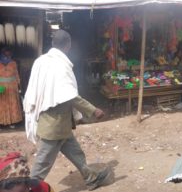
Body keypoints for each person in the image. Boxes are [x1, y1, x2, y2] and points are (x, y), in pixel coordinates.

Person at [23, 30, 110, 191]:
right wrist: (93, 110)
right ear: (68, 44)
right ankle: (28, 189)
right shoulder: (60, 65)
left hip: (59, 123)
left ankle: (91, 179)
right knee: (42, 165)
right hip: (53, 126)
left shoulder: (42, 61)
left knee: (76, 153)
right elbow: (70, 96)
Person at [0, 47, 22, 128]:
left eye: (9, 53)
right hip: (1, 87)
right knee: (2, 104)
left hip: (12, 87)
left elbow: (16, 74)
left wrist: (19, 85)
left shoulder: (13, 63)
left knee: (13, 104)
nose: (8, 54)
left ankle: (12, 121)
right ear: (2, 53)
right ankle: (2, 122)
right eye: (6, 52)